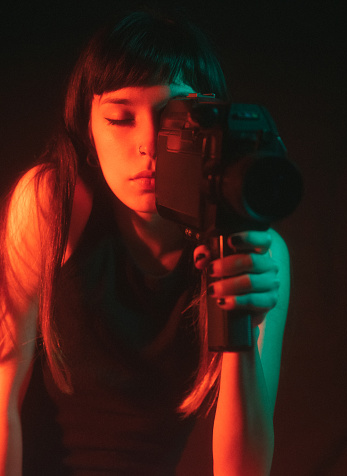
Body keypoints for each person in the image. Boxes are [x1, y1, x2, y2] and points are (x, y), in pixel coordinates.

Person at [0, 7, 290, 476]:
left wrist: (239, 328)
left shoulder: (255, 249)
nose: (150, 144)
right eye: (119, 118)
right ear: (88, 131)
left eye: (176, 118)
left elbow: (245, 468)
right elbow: (1, 397)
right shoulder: (53, 205)